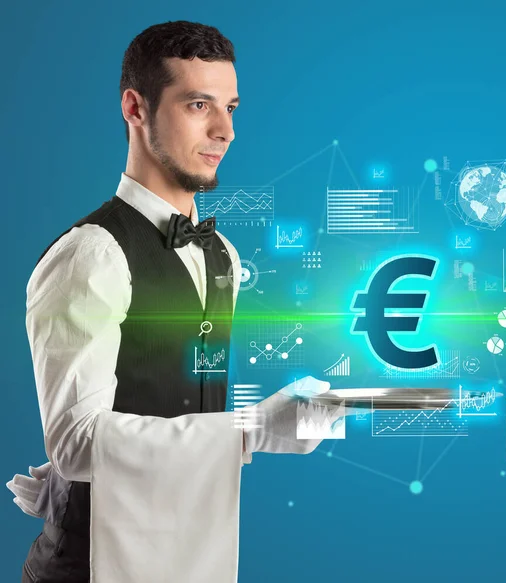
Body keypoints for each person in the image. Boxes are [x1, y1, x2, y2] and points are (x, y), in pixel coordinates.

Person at [7, 20, 347, 583]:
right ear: (135, 108)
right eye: (198, 105)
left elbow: (179, 398)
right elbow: (76, 442)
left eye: (231, 108)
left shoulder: (224, 255)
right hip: (92, 569)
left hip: (193, 554)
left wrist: (288, 420)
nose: (225, 131)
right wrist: (253, 430)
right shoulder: (91, 254)